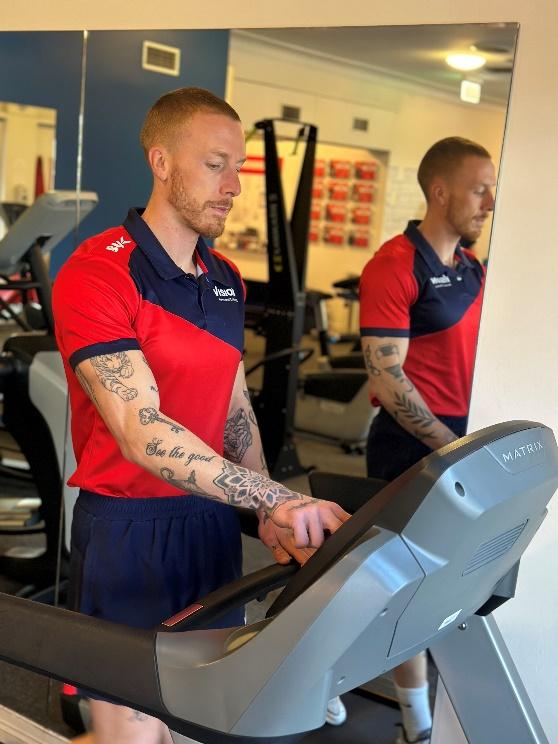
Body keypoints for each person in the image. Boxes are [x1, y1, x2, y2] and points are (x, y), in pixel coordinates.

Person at [52, 87, 350, 744]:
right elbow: (140, 430)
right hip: (129, 533)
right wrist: (273, 494)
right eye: (216, 164)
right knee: (135, 735)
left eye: (238, 166)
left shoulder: (226, 279)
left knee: (196, 726)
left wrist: (264, 511)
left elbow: (232, 404)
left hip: (209, 529)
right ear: (161, 161)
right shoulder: (99, 274)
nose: (234, 185)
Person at [357, 137, 495, 744]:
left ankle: (332, 676)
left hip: (465, 441)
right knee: (407, 592)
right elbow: (387, 381)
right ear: (439, 192)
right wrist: (449, 447)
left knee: (460, 585)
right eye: (479, 187)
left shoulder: (473, 267)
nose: (490, 200)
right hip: (413, 445)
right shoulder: (395, 265)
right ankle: (416, 725)